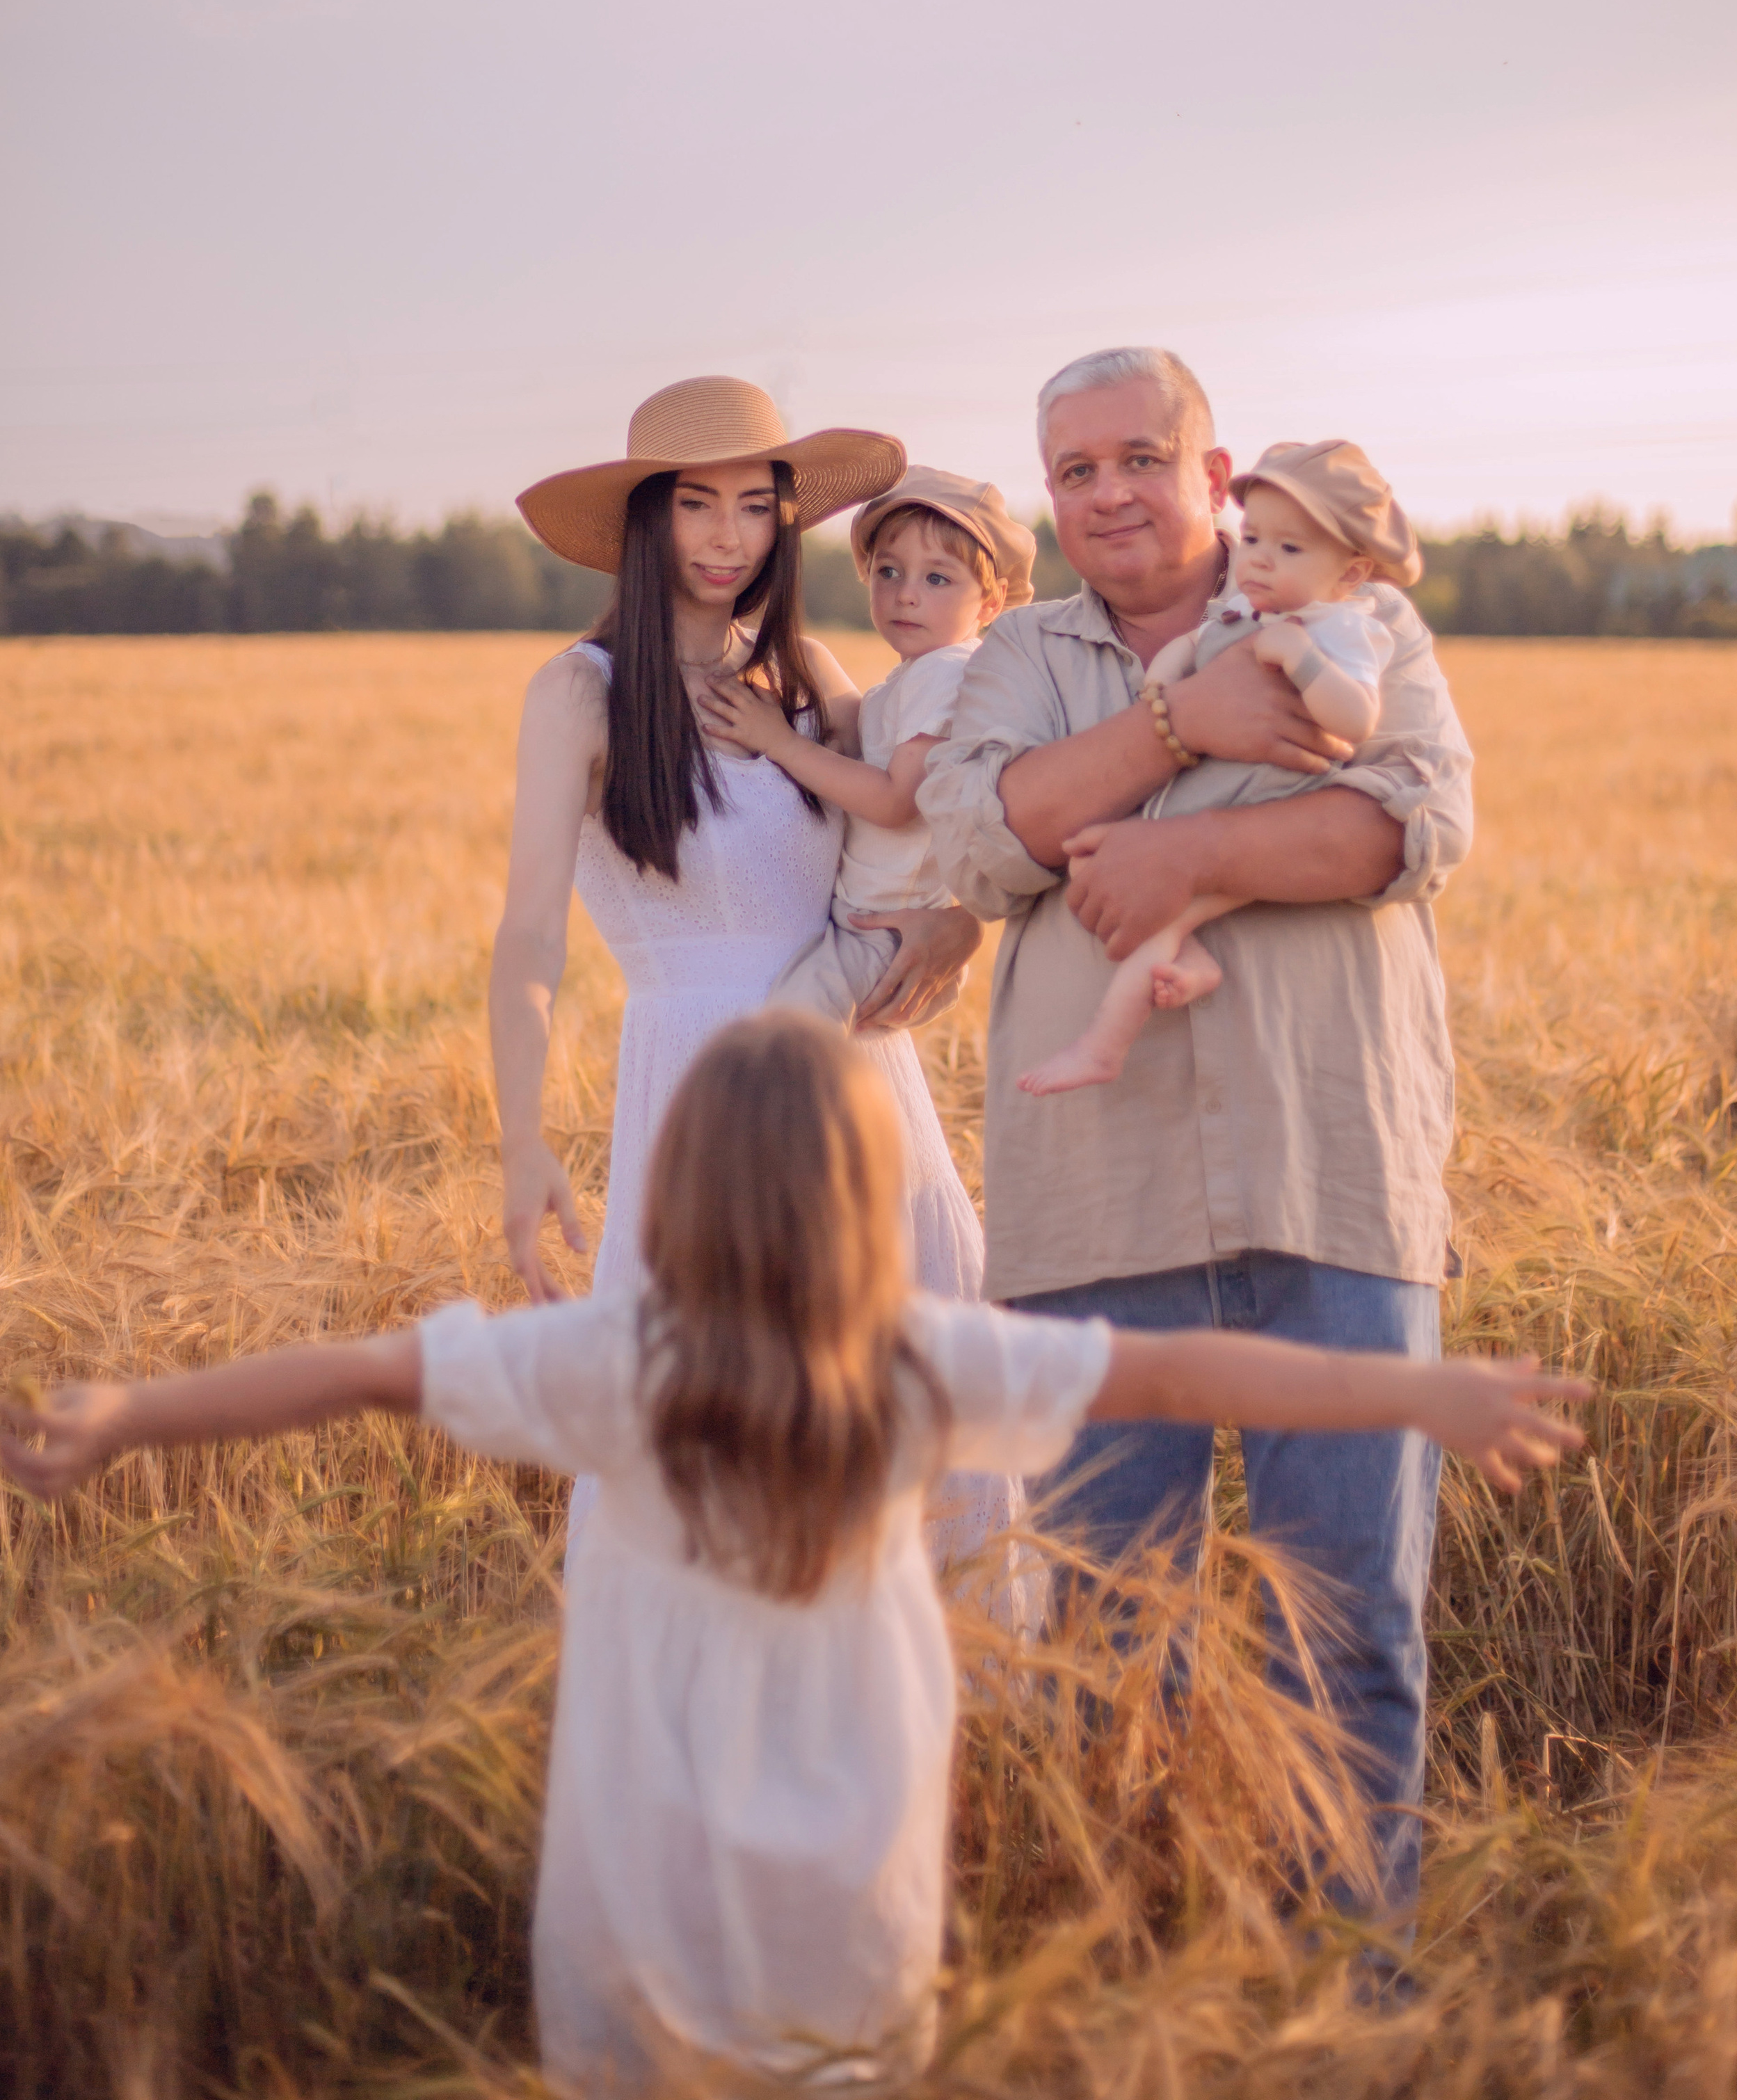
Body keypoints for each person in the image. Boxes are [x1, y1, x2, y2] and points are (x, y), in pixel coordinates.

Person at [0, 1011, 1587, 2088]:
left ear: (676, 1186)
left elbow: (354, 1370)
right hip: (855, 1847)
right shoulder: (916, 1360)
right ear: (867, 1197)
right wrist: (1419, 1387)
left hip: (642, 1854)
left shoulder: (609, 1361)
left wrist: (131, 1411)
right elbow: (1177, 1370)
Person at [918, 346, 1475, 1918]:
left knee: (1346, 1627)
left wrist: (1184, 856)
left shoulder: (1357, 611)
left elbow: (1408, 821)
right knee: (1104, 1645)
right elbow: (980, 836)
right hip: (1099, 1210)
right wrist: (1183, 720)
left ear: (1212, 471)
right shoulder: (1017, 653)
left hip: (1331, 1178)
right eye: (1072, 469)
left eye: (1137, 458)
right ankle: (1135, 1994)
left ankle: (1350, 1995)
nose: (1105, 492)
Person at [497, 375, 1014, 1570]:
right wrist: (522, 1139)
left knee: (908, 1416)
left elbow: (934, 827)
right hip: (700, 1091)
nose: (728, 537)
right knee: (715, 1435)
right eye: (695, 505)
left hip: (862, 1084)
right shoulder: (580, 691)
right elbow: (529, 936)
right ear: (646, 520)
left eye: (754, 505)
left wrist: (960, 925)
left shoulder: (814, 677)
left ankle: (935, 1741)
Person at [1019, 437, 1428, 1095]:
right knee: (1164, 911)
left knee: (1161, 920)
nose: (1261, 561)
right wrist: (1172, 691)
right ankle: (1194, 962)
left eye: (1289, 550)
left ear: (1350, 575)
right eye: (1256, 539)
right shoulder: (1247, 610)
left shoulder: (1343, 629)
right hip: (1232, 801)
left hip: (1277, 810)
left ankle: (1103, 1044)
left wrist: (1301, 659)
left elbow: (1356, 720)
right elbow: (1193, 649)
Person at [701, 467, 1038, 1029]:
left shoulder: (946, 675)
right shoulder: (910, 679)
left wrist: (775, 740)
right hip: (873, 925)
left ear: (991, 602)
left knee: (786, 1044)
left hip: (886, 931)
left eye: (938, 579)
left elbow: (892, 802)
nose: (906, 594)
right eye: (888, 571)